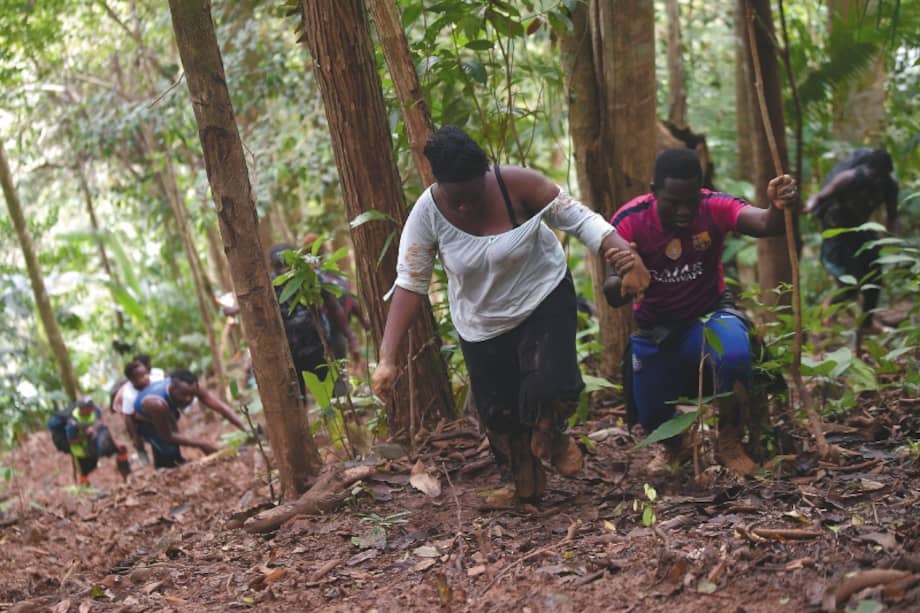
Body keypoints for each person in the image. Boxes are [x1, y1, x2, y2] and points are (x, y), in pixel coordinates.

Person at [371, 125, 650, 502]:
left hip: (542, 297)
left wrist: (625, 258)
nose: (467, 207)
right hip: (482, 324)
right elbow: (410, 281)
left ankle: (553, 434)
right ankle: (525, 482)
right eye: (457, 201)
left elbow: (582, 220)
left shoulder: (517, 184)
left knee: (550, 387)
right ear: (439, 186)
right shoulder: (427, 214)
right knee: (500, 416)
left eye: (473, 196)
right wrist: (387, 358)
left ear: (485, 178)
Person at [603, 148, 798, 475]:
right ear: (654, 191)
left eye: (690, 201)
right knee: (650, 412)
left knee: (735, 351)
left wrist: (778, 206)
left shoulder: (714, 206)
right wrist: (623, 279)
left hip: (708, 316)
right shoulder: (629, 220)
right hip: (656, 328)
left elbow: (765, 224)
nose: (683, 211)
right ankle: (677, 447)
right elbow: (611, 292)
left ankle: (730, 442)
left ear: (700, 191)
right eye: (672, 202)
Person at [805, 148, 898, 331]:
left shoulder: (889, 186)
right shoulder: (850, 177)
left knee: (875, 275)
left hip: (861, 227)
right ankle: (828, 313)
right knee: (850, 282)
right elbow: (820, 196)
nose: (874, 178)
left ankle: (867, 323)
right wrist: (809, 205)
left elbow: (892, 216)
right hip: (838, 227)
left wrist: (890, 243)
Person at [270, 243, 360, 398]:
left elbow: (334, 307)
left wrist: (351, 338)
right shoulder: (270, 286)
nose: (284, 270)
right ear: (272, 267)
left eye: (287, 265)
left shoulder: (312, 277)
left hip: (320, 347)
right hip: (291, 354)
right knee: (298, 397)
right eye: (279, 266)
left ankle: (343, 419)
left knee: (334, 390)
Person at [132, 369, 246, 468]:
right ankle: (165, 469)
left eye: (192, 395)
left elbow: (221, 408)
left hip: (166, 411)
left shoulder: (191, 387)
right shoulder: (157, 404)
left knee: (172, 441)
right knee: (167, 451)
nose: (188, 399)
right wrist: (202, 444)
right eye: (184, 394)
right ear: (173, 388)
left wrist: (246, 428)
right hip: (145, 421)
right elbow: (167, 435)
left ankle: (176, 461)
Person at [64, 397, 131, 485]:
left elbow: (101, 423)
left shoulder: (96, 411)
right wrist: (85, 435)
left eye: (91, 407)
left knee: (121, 449)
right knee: (85, 473)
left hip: (97, 442)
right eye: (88, 408)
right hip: (82, 451)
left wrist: (112, 440)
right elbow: (71, 441)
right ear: (81, 409)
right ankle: (86, 492)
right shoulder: (72, 423)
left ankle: (127, 479)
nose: (90, 410)